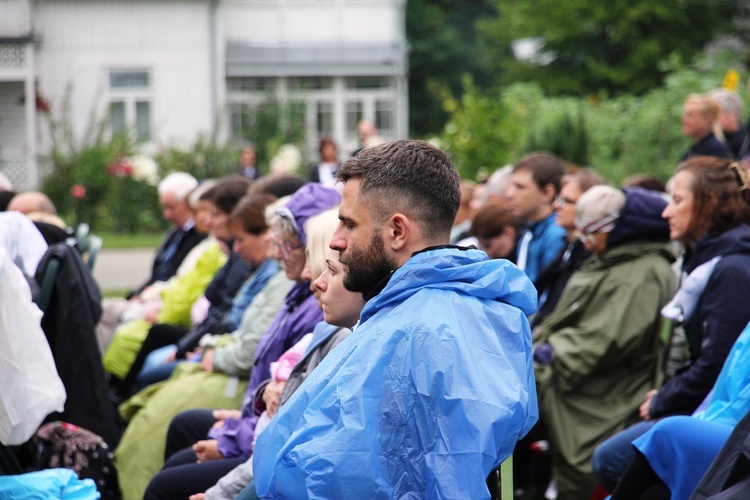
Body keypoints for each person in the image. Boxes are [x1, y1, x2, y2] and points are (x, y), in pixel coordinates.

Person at [252, 140, 538, 498]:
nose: (337, 242)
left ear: (397, 231)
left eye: (348, 224)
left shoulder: (415, 334)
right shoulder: (478, 305)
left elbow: (342, 474)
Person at [138, 184, 339, 500]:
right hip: (254, 429)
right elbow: (274, 391)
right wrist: (246, 414)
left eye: (286, 246)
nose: (310, 277)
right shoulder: (300, 297)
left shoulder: (323, 312)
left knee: (166, 480)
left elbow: (288, 422)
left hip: (260, 443)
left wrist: (232, 438)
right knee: (175, 419)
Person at [592, 156, 750, 493]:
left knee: (612, 459)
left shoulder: (732, 270)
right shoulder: (705, 259)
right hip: (695, 400)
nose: (666, 212)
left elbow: (715, 365)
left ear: (709, 203)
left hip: (717, 413)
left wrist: (664, 399)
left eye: (677, 200)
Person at [195, 210, 365, 500]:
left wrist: (233, 440)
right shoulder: (313, 310)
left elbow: (292, 439)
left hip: (259, 450)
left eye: (330, 268)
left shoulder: (335, 326)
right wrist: (259, 399)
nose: (309, 276)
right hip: (256, 438)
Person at [533, 185, 677, 499]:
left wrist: (548, 354)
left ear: (616, 229)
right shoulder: (613, 261)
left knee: (583, 474)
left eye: (590, 235)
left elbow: (606, 342)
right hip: (580, 378)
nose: (587, 244)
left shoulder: (644, 273)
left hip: (605, 395)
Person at [610, 320, 750, 500]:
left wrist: (661, 401)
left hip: (735, 432)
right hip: (716, 416)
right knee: (652, 491)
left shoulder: (730, 294)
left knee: (659, 437)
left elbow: (711, 364)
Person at [531, 169, 605, 328]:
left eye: (567, 201)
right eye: (559, 198)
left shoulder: (589, 258)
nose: (556, 205)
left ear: (590, 206)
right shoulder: (569, 248)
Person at [505, 152, 567, 283]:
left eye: (520, 187)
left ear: (547, 193)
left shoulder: (556, 235)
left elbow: (542, 296)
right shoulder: (530, 231)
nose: (509, 194)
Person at [679, 94, 731, 162]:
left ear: (707, 119)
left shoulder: (715, 150)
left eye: (690, 116)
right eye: (685, 115)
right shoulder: (695, 148)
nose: (684, 120)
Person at [710, 88, 747, 159]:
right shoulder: (708, 139)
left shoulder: (745, 139)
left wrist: (719, 140)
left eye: (716, 114)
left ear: (734, 115)